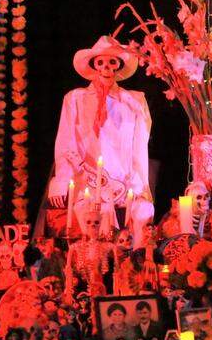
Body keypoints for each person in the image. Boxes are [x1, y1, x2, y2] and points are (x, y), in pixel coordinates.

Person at [49, 35, 154, 232]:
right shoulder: (75, 99)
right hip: (86, 188)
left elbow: (139, 147)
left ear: (118, 66)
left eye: (112, 62)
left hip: (123, 187)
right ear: (94, 66)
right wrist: (62, 180)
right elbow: (66, 141)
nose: (106, 68)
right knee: (91, 227)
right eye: (101, 62)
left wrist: (139, 187)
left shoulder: (133, 101)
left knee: (143, 214)